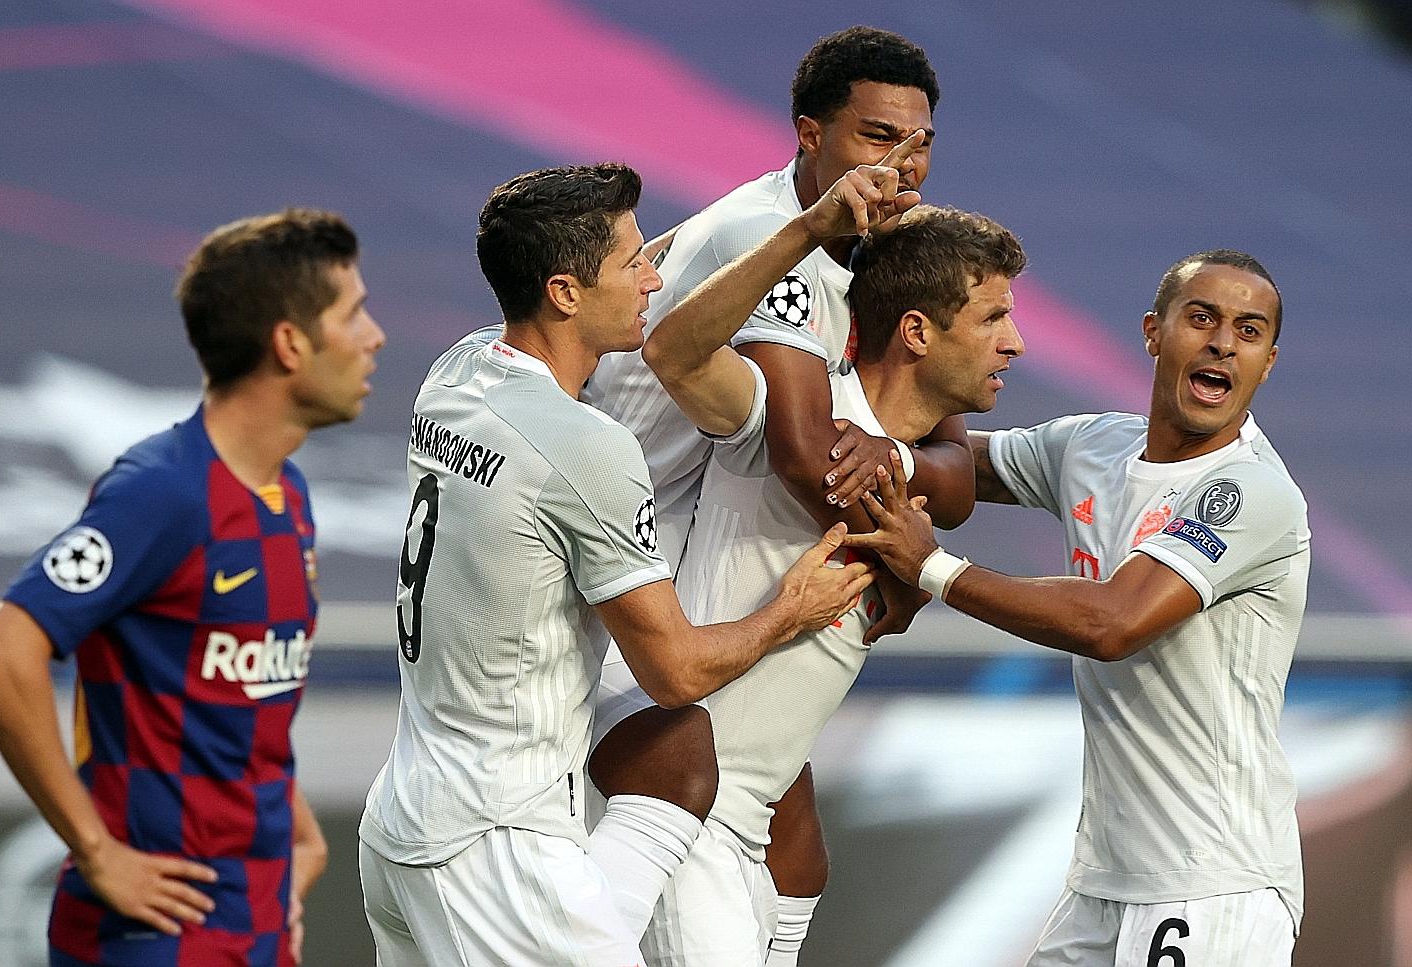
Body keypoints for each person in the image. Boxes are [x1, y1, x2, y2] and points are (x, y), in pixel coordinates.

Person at [355, 163, 873, 967]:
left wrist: (793, 222)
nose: (655, 277)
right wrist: (790, 611)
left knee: (677, 759)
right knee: (680, 728)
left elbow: (647, 256)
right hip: (497, 849)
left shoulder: (454, 375)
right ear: (564, 291)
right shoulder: (588, 448)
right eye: (632, 264)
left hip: (409, 817)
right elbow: (673, 669)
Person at [580, 27, 976, 961]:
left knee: (796, 860)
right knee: (693, 813)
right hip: (619, 578)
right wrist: (904, 562)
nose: (902, 165)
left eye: (917, 143)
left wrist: (905, 484)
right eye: (877, 138)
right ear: (810, 136)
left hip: (698, 550)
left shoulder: (876, 245)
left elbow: (948, 454)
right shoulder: (770, 238)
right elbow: (806, 456)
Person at [845, 250, 1306, 966]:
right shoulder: (1093, 446)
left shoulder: (1248, 492)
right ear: (1154, 332)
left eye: (1248, 331)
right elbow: (948, 464)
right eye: (1202, 318)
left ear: (1267, 363)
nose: (1222, 342)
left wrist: (930, 567)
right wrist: (892, 390)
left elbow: (1112, 622)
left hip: (1212, 884)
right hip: (1103, 883)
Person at [0, 209, 386, 966]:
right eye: (351, 313)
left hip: (255, 918)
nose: (374, 335)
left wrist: (296, 821)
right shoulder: (164, 492)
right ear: (290, 342)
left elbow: (226, 700)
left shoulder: (286, 492)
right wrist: (96, 848)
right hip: (156, 934)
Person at [636, 198, 1025, 963]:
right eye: (992, 319)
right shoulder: (797, 421)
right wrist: (806, 231)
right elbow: (677, 355)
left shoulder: (904, 468)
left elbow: (942, 501)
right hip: (688, 821)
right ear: (917, 331)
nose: (1014, 343)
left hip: (751, 831)